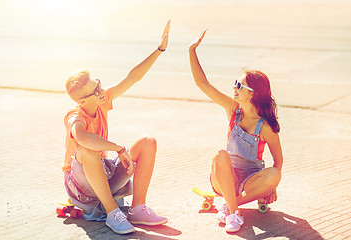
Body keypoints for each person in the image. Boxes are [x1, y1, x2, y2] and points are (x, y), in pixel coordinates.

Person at [63, 20, 170, 235]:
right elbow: (82, 138)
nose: (101, 91)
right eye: (95, 91)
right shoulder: (75, 115)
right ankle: (113, 214)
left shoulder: (102, 100)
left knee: (147, 142)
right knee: (87, 150)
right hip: (81, 186)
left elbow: (132, 78)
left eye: (99, 85)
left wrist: (160, 49)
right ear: (82, 101)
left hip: (104, 173)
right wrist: (118, 148)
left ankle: (138, 209)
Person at [189, 30, 283, 233]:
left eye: (239, 85)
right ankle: (234, 212)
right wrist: (192, 51)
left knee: (275, 174)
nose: (234, 88)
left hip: (250, 180)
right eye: (235, 83)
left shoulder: (265, 126)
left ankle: (231, 205)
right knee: (220, 156)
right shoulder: (233, 110)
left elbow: (278, 161)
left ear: (253, 94)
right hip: (224, 178)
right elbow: (202, 83)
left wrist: (271, 187)